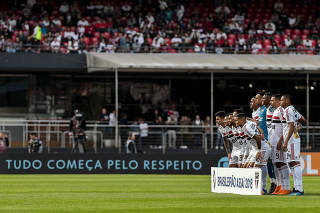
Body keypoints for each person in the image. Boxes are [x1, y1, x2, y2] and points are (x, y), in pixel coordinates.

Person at [281, 94, 306, 195]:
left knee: (295, 162)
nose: (281, 102)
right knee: (291, 163)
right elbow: (303, 119)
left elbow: (291, 127)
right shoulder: (293, 109)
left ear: (287, 101)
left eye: (282, 100)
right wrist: (298, 126)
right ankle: (296, 188)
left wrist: (286, 141)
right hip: (292, 138)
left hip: (291, 140)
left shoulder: (287, 110)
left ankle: (300, 188)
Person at [269, 94, 291, 195]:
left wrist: (280, 140)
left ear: (278, 101)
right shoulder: (275, 111)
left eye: (272, 100)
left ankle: (286, 187)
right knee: (276, 164)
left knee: (281, 163)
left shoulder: (281, 111)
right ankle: (280, 186)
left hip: (279, 142)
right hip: (273, 142)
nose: (271, 102)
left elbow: (286, 126)